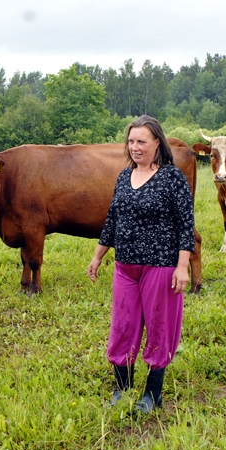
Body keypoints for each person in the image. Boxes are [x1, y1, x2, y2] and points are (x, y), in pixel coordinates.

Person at [87, 115, 195, 413]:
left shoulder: (172, 178)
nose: (135, 147)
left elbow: (185, 224)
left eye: (141, 142)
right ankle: (122, 389)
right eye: (131, 141)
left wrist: (182, 266)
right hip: (126, 266)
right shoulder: (124, 176)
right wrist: (98, 256)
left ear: (157, 142)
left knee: (160, 327)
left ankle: (152, 393)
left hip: (160, 265)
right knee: (123, 325)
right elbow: (112, 219)